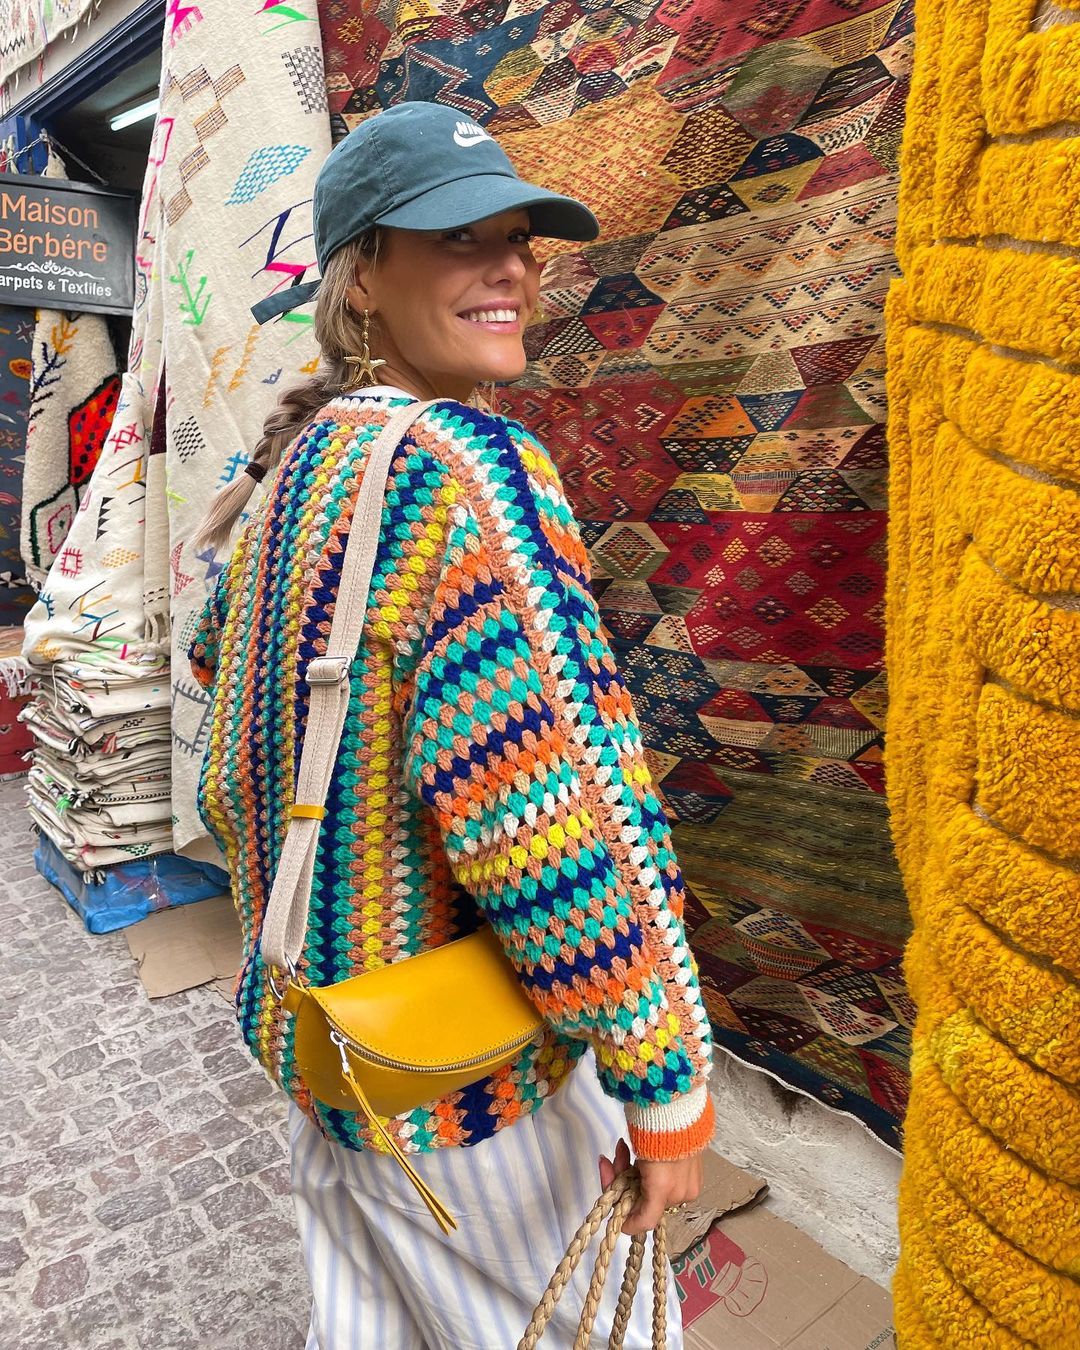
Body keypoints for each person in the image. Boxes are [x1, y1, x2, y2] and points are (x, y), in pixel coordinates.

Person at [189, 101, 714, 1350]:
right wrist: (661, 1066)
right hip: (461, 1084)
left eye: (524, 241)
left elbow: (226, 759)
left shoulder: (290, 475)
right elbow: (555, 821)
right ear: (361, 277)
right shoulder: (468, 473)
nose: (514, 270)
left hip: (331, 1043)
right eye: (459, 238)